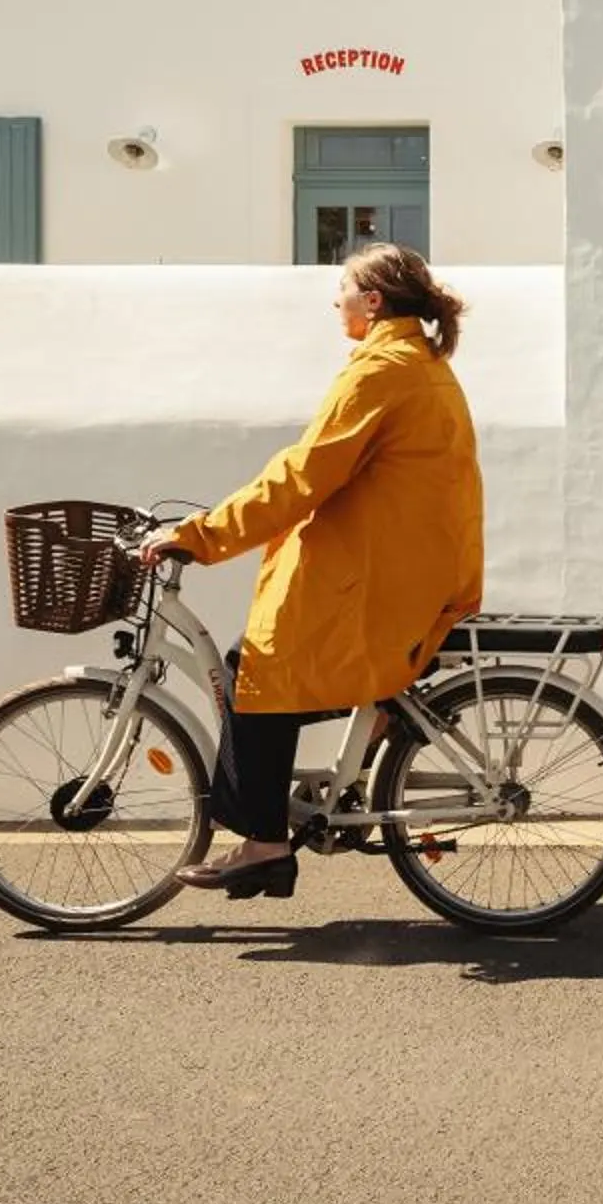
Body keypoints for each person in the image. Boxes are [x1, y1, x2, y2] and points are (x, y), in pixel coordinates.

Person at [137, 243, 485, 898]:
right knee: (270, 665)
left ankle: (266, 844)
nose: (336, 301)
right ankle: (364, 734)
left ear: (373, 301)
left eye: (345, 289)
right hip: (411, 570)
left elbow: (302, 476)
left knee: (256, 668)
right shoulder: (420, 363)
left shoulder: (381, 370)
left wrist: (200, 535)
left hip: (381, 580)